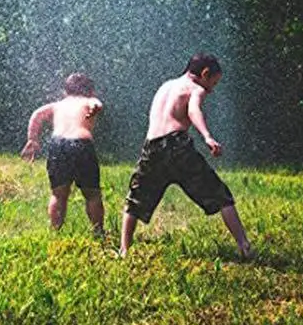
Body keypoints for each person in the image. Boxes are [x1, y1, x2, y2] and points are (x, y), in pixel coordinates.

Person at [120, 53, 251, 259]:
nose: (211, 89)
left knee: (135, 201)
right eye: (213, 83)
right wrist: (207, 136)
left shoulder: (166, 86)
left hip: (152, 148)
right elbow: (194, 111)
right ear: (204, 74)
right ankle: (244, 246)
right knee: (221, 196)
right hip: (177, 147)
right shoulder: (196, 89)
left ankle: (124, 250)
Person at [21, 73, 105, 238]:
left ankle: (55, 232)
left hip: (58, 145)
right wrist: (95, 107)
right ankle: (98, 232)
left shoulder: (57, 105)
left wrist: (32, 139)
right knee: (92, 194)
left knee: (58, 194)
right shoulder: (88, 101)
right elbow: (96, 103)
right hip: (82, 145)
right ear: (91, 91)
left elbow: (37, 114)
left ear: (65, 92)